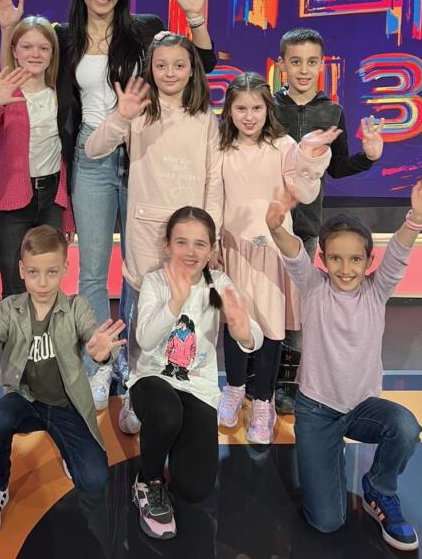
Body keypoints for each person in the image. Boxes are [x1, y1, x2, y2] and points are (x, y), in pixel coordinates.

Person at [0, 0, 216, 410]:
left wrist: (195, 18)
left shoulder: (145, 30)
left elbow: (202, 63)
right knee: (92, 270)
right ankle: (99, 362)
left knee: (142, 268)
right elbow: (17, 75)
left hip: (142, 153)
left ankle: (136, 362)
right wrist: (8, 29)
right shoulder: (63, 36)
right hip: (91, 155)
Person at [265, 174, 422, 552]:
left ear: (369, 261)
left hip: (361, 407)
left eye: (355, 259)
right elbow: (293, 254)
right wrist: (275, 227)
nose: (345, 268)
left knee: (404, 426)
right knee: (326, 523)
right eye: (335, 258)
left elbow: (398, 254)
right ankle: (327, 451)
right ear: (323, 259)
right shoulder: (315, 287)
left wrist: (416, 219)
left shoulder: (376, 291)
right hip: (317, 412)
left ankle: (379, 488)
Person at [0, 225, 125, 542]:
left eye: (51, 272)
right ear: (22, 270)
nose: (42, 282)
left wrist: (100, 353)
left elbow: (92, 336)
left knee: (95, 480)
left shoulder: (77, 307)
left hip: (67, 404)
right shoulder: (10, 308)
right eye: (33, 272)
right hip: (26, 399)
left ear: (65, 269)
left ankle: (69, 451)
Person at [84, 32, 222, 434]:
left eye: (179, 65)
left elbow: (214, 180)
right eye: (161, 65)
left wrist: (211, 237)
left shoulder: (205, 118)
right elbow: (94, 149)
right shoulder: (138, 112)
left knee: (187, 316)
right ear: (150, 69)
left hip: (191, 237)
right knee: (145, 319)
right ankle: (136, 390)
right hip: (146, 232)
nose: (169, 73)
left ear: (192, 70)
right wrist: (120, 116)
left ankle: (186, 388)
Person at [127, 207, 263, 540]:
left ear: (212, 250)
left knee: (194, 489)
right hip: (152, 380)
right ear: (166, 245)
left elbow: (253, 334)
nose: (191, 251)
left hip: (197, 389)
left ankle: (172, 447)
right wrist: (174, 303)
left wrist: (244, 332)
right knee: (166, 411)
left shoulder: (218, 284)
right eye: (182, 242)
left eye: (200, 244)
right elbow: (145, 339)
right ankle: (148, 481)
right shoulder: (156, 282)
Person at [217, 73, 337, 444]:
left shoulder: (284, 145)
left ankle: (263, 402)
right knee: (235, 323)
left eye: (256, 108)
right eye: (241, 108)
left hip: (271, 251)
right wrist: (212, 244)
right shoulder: (220, 147)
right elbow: (212, 196)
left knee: (271, 329)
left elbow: (304, 191)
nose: (249, 116)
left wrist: (311, 156)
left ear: (267, 109)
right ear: (229, 110)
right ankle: (234, 387)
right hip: (233, 250)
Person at [273, 26, 385, 413]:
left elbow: (336, 168)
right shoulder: (267, 106)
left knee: (297, 311)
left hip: (304, 227)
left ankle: (289, 383)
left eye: (312, 62)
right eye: (296, 61)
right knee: (260, 305)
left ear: (322, 65)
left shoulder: (331, 112)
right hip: (264, 223)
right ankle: (254, 381)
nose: (304, 69)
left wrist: (368, 157)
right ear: (282, 65)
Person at [0, 16, 74, 297]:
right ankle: (16, 330)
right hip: (12, 203)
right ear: (14, 51)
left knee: (48, 286)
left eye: (43, 48)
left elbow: (66, 158)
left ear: (52, 53)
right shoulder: (4, 95)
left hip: (52, 201)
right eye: (27, 46)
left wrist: (67, 215)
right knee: (15, 287)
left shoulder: (61, 96)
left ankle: (45, 330)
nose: (35, 54)